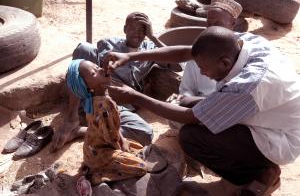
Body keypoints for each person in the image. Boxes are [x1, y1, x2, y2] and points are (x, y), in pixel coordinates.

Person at [104, 26, 300, 195]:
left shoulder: (248, 86)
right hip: (270, 115)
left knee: (192, 137)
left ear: (224, 63)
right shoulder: (243, 43)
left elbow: (190, 118)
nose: (202, 72)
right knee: (188, 103)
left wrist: (135, 97)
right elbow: (184, 53)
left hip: (280, 138)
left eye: (203, 68)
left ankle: (255, 175)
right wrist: (130, 56)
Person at [50, 12, 164, 151]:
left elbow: (178, 66)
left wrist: (153, 37)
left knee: (145, 133)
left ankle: (81, 131)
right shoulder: (108, 43)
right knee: (85, 48)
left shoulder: (151, 50)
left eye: (142, 30)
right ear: (124, 29)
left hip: (119, 104)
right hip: (93, 94)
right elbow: (86, 65)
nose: (137, 34)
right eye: (133, 29)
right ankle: (72, 116)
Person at [66, 59, 146, 185]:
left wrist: (123, 140)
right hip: (101, 153)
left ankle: (92, 166)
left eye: (97, 67)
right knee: (140, 167)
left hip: (91, 150)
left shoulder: (94, 100)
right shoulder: (103, 106)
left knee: (137, 147)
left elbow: (113, 129)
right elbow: (110, 137)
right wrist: (122, 148)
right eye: (94, 73)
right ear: (89, 88)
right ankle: (95, 176)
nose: (101, 69)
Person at [173, 0, 243, 108]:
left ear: (233, 23)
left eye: (217, 24)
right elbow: (186, 90)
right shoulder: (200, 50)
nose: (211, 28)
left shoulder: (242, 53)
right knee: (173, 105)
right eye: (208, 23)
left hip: (228, 110)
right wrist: (187, 101)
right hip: (198, 107)